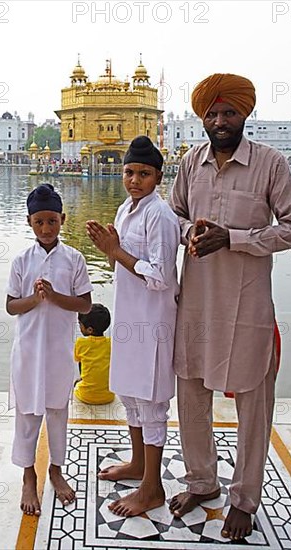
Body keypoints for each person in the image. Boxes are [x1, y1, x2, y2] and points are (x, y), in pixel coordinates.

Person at [168, 73, 291, 540]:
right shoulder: (190, 163)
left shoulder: (270, 164)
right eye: (212, 113)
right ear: (202, 118)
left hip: (247, 307)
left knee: (253, 401)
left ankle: (245, 498)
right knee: (190, 394)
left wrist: (236, 239)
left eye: (229, 113)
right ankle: (202, 482)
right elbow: (174, 216)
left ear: (244, 115)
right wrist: (191, 233)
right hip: (196, 304)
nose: (220, 121)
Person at [86, 136, 180, 517]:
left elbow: (160, 276)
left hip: (153, 322)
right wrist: (112, 251)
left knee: (152, 402)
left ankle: (152, 488)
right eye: (129, 172)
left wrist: (116, 252)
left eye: (143, 173)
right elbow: (119, 264)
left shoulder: (161, 214)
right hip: (128, 316)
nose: (134, 179)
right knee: (131, 396)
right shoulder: (127, 209)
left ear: (158, 176)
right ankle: (139, 464)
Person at [6, 183, 93, 516]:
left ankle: (56, 470)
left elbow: (85, 305)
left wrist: (55, 296)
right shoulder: (21, 261)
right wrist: (36, 298)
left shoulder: (74, 259)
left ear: (63, 219)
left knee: (58, 413)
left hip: (58, 351)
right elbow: (11, 306)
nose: (46, 228)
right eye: (39, 222)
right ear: (29, 222)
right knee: (27, 414)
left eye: (52, 221)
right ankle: (29, 476)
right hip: (28, 351)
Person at [74, 303, 114, 405]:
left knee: (75, 385)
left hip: (86, 396)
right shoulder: (111, 343)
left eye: (80, 324)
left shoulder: (81, 343)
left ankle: (83, 381)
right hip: (109, 396)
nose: (79, 327)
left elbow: (79, 361)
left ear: (89, 329)